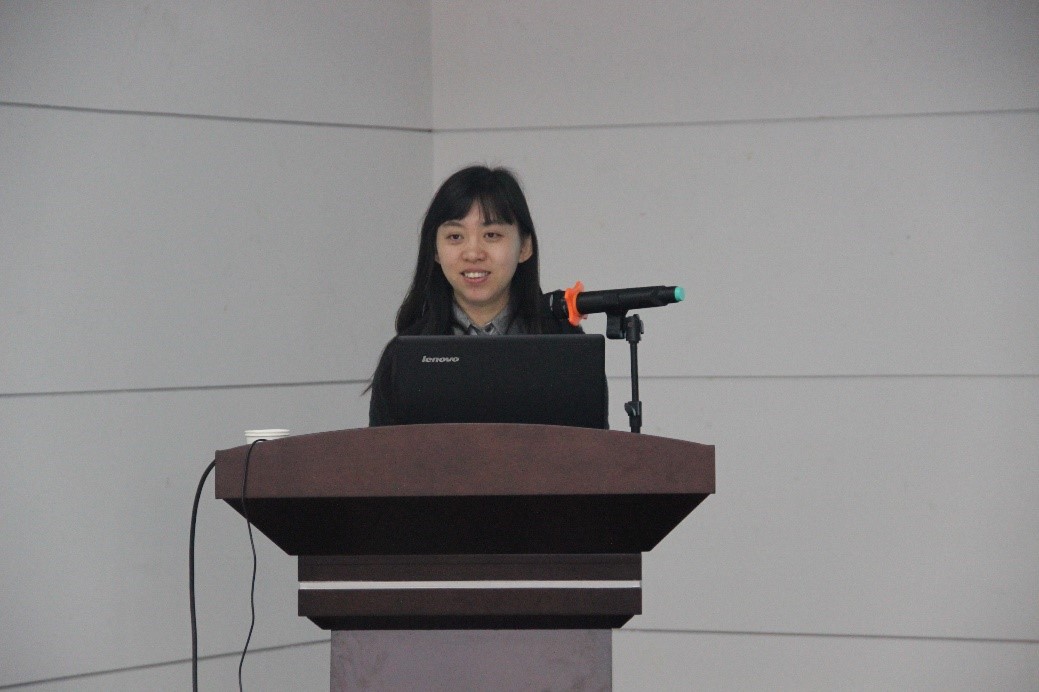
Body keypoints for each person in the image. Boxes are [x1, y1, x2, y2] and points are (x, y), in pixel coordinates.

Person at [368, 165, 584, 426]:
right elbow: (383, 452)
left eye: (491, 235)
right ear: (435, 250)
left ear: (524, 246)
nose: (473, 253)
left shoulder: (566, 344)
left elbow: (591, 447)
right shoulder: (405, 355)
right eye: (455, 236)